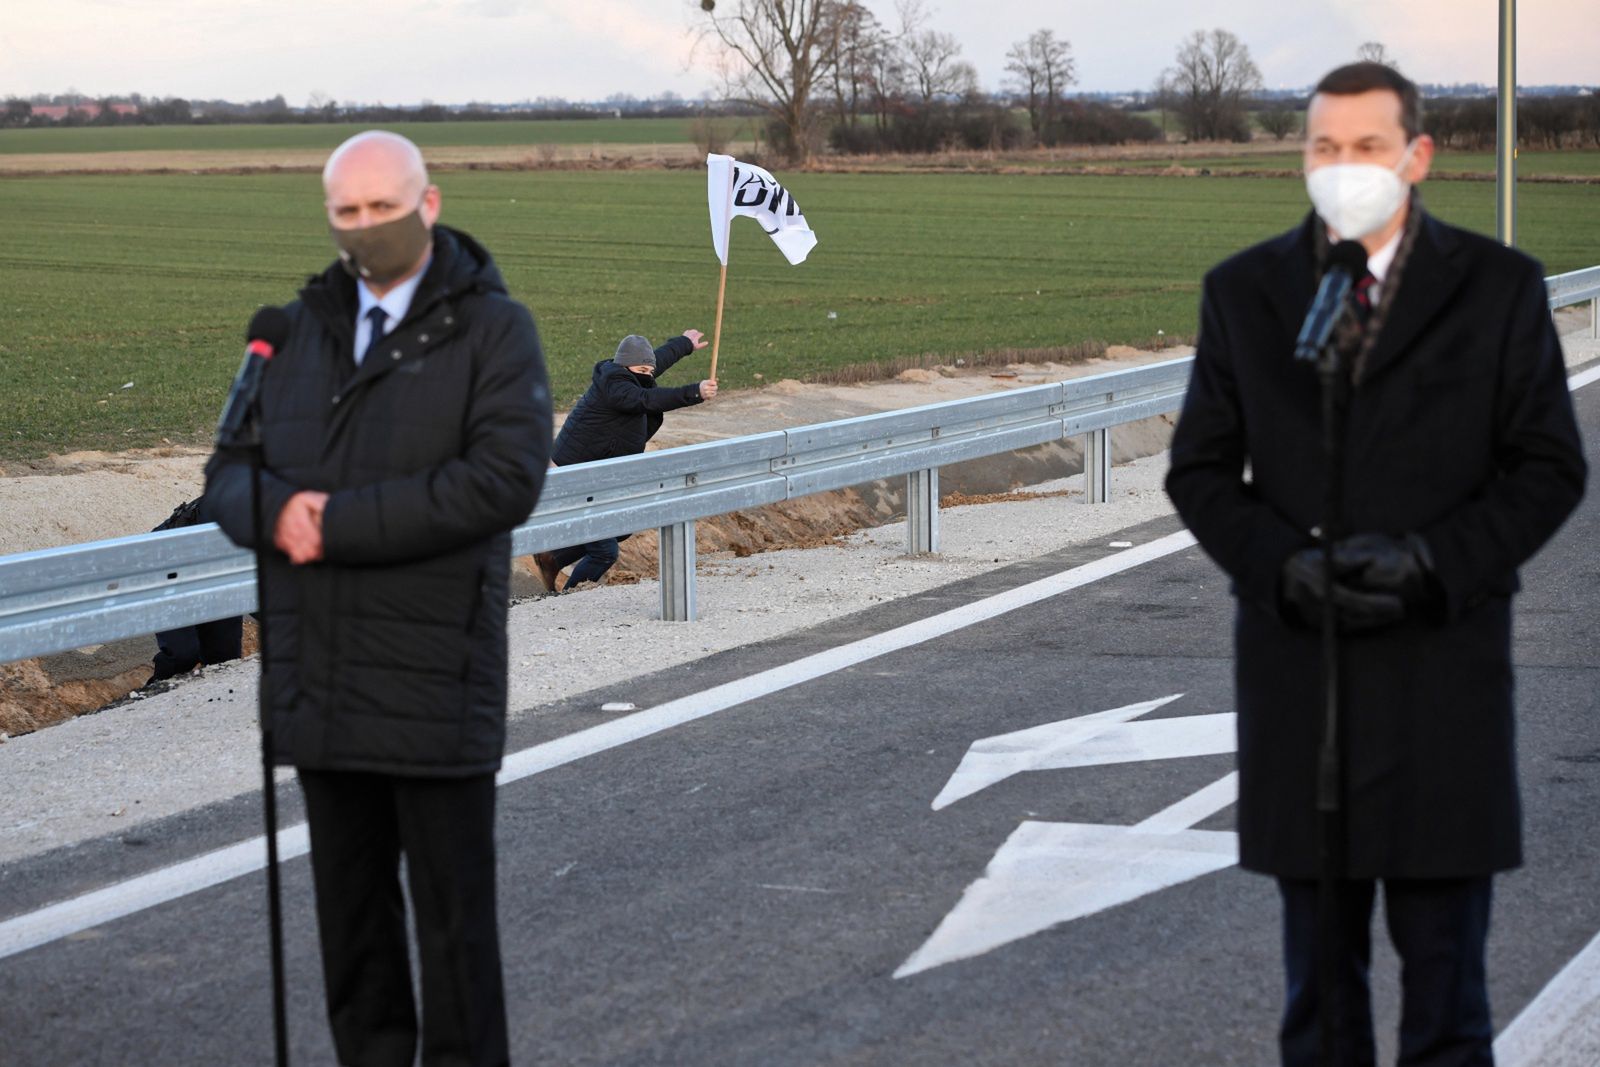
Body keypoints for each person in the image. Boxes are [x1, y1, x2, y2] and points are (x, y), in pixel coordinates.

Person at [1165, 63, 1586, 1066]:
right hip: (1301, 688)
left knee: (1448, 999)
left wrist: (1433, 562)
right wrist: (1278, 567)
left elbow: (1547, 466)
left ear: (1415, 155)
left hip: (1441, 681)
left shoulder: (1496, 289)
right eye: (1322, 147)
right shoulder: (1249, 292)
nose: (1341, 167)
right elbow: (1200, 469)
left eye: (1363, 147)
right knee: (1320, 1004)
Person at [204, 130, 552, 1067]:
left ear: (427, 204)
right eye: (346, 212)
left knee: (455, 949)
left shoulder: (494, 328)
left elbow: (506, 479)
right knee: (353, 949)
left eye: (382, 208)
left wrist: (334, 524)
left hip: (437, 680)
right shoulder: (291, 329)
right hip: (321, 681)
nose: (365, 228)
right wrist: (282, 515)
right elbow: (227, 472)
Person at [533, 331, 716, 592]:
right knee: (605, 551)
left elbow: (654, 363)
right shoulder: (616, 385)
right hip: (573, 477)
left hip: (598, 475)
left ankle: (553, 558)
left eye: (648, 370)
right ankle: (566, 599)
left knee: (624, 525)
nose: (647, 375)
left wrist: (684, 344)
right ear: (626, 367)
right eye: (642, 369)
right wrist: (694, 392)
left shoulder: (633, 374)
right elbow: (647, 399)